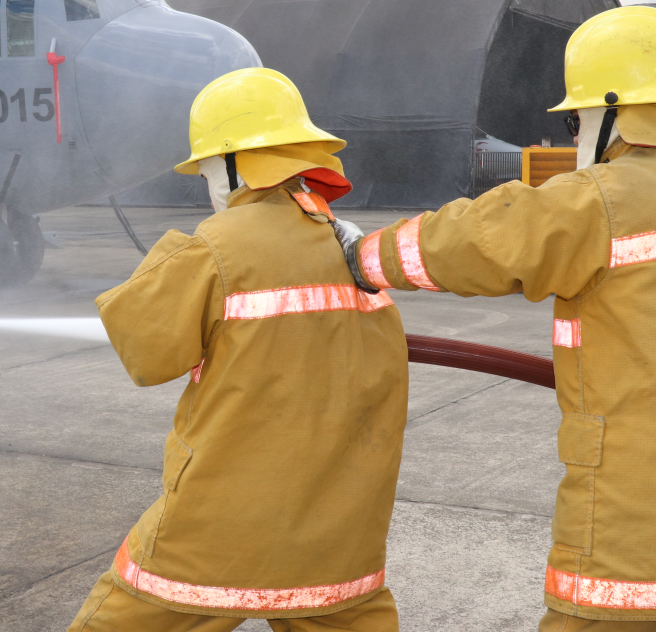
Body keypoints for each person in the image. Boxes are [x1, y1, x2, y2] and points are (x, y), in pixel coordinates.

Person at [337, 7, 656, 631]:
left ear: (614, 114)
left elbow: (477, 239)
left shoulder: (600, 200)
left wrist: (362, 257)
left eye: (578, 120)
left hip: (648, 540)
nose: (574, 135)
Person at [67, 67, 408, 632]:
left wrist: (176, 261)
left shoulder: (214, 249)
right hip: (341, 531)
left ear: (233, 164)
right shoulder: (351, 245)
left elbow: (148, 356)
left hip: (220, 523)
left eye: (205, 170)